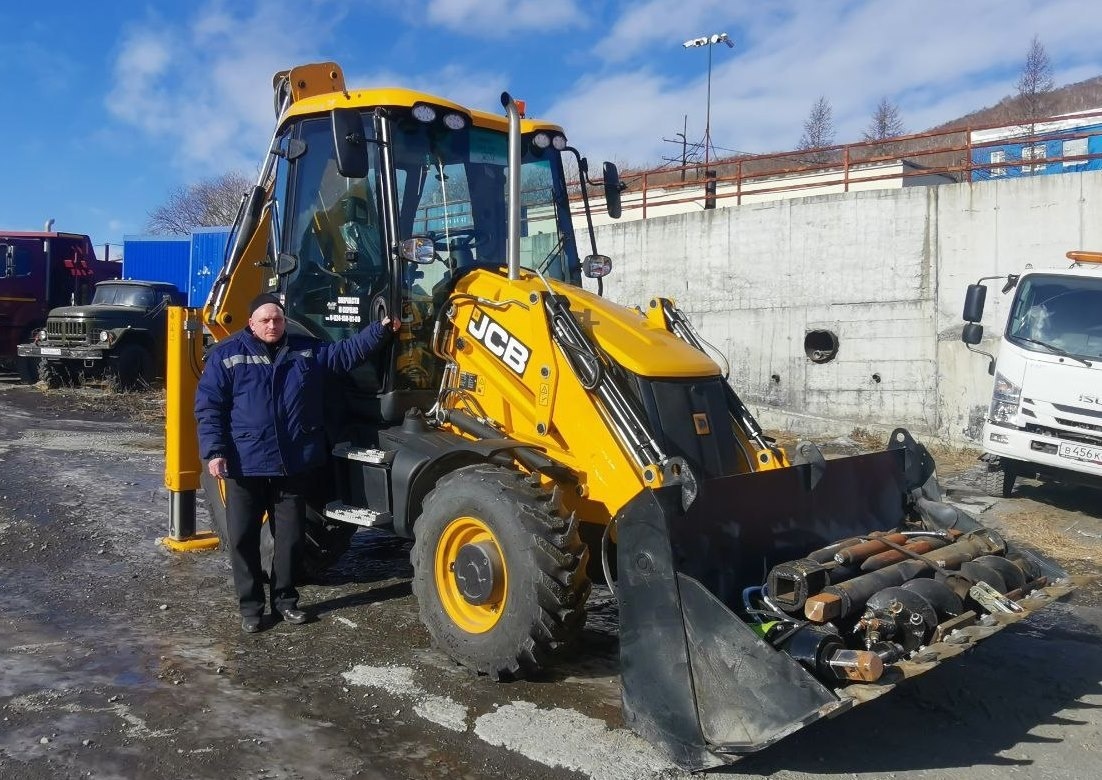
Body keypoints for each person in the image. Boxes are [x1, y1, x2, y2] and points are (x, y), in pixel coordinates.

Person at [195, 292, 399, 633]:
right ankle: (251, 608)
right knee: (243, 539)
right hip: (245, 465)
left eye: (277, 319)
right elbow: (209, 408)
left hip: (292, 465)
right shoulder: (227, 357)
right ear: (251, 323)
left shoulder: (306, 351)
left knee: (289, 540)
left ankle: (285, 601)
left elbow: (346, 353)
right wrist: (214, 452)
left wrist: (381, 329)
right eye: (265, 320)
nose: (272, 325)